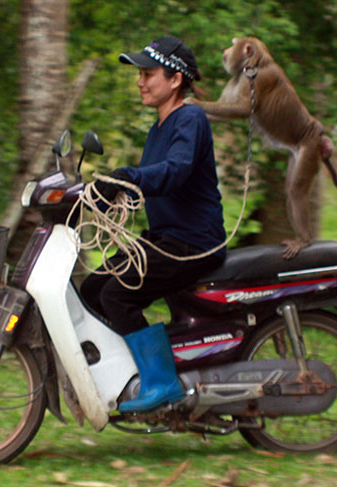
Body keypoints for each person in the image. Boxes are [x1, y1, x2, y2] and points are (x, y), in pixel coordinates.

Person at [80, 36, 226, 413]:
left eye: (148, 73)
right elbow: (154, 180)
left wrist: (128, 176)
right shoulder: (158, 129)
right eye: (139, 74)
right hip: (164, 240)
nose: (140, 81)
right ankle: (127, 373)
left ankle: (161, 383)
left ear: (175, 79)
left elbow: (174, 172)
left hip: (193, 244)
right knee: (94, 286)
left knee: (116, 294)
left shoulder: (190, 118)